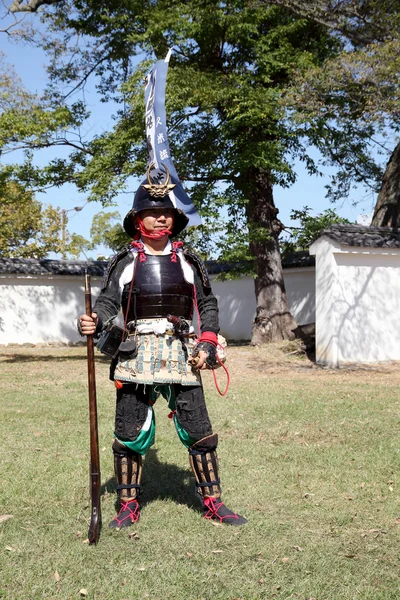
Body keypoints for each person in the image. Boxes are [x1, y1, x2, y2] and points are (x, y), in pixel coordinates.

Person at [78, 165, 247, 529]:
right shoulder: (125, 262)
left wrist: (207, 340)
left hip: (181, 351)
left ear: (174, 217)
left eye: (165, 212)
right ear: (138, 218)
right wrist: (93, 319)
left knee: (199, 427)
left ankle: (213, 502)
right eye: (151, 212)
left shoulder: (188, 260)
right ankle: (127, 504)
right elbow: (108, 303)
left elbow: (209, 304)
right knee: (128, 430)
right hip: (135, 352)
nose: (159, 218)